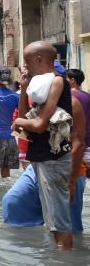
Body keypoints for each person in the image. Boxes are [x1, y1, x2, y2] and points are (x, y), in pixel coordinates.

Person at [12, 42, 86, 249]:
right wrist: (24, 87)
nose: (24, 66)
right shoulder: (42, 88)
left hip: (53, 162)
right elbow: (28, 116)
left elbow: (38, 124)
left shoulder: (56, 83)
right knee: (54, 224)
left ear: (39, 60)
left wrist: (19, 123)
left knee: (60, 225)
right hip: (43, 160)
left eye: (27, 61)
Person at [66, 68, 90, 176]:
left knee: (74, 178)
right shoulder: (88, 96)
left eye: (66, 78)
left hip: (73, 143)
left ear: (72, 80)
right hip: (87, 141)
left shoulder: (68, 96)